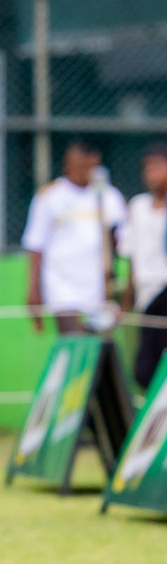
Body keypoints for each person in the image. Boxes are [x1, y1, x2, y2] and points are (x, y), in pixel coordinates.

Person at [23, 140, 127, 334]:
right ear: (68, 164)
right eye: (80, 166)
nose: (84, 171)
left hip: (99, 288)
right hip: (62, 287)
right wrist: (33, 290)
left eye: (90, 166)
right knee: (75, 341)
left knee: (99, 347)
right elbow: (36, 244)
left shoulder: (109, 196)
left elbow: (120, 243)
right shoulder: (50, 196)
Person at [122, 144, 167, 388]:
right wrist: (127, 294)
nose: (152, 174)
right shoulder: (138, 207)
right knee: (145, 369)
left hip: (165, 289)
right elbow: (132, 253)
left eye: (158, 167)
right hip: (146, 293)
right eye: (148, 168)